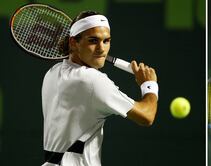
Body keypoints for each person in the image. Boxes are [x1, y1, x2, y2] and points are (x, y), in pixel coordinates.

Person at [41, 11, 158, 166]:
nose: (101, 49)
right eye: (93, 41)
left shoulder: (53, 72)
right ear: (73, 42)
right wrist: (149, 85)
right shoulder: (92, 81)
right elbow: (147, 116)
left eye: (106, 41)